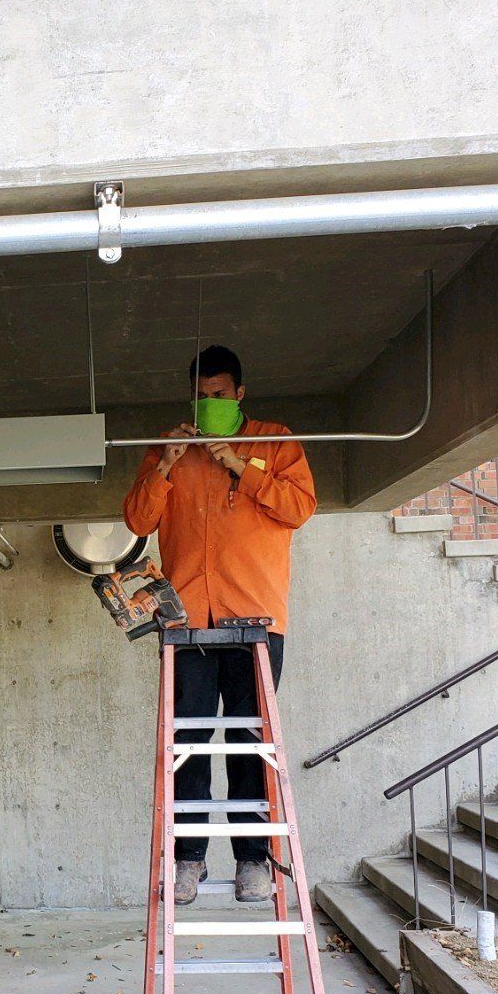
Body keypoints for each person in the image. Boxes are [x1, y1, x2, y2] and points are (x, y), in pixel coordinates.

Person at [123, 345, 317, 904]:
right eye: (201, 396)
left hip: (256, 619)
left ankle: (253, 861)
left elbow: (300, 508)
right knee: (188, 740)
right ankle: (189, 860)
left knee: (249, 741)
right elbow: (137, 519)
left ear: (239, 394)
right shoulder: (169, 447)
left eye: (219, 395)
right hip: (185, 620)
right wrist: (166, 464)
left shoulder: (274, 440)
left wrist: (239, 464)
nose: (210, 403)